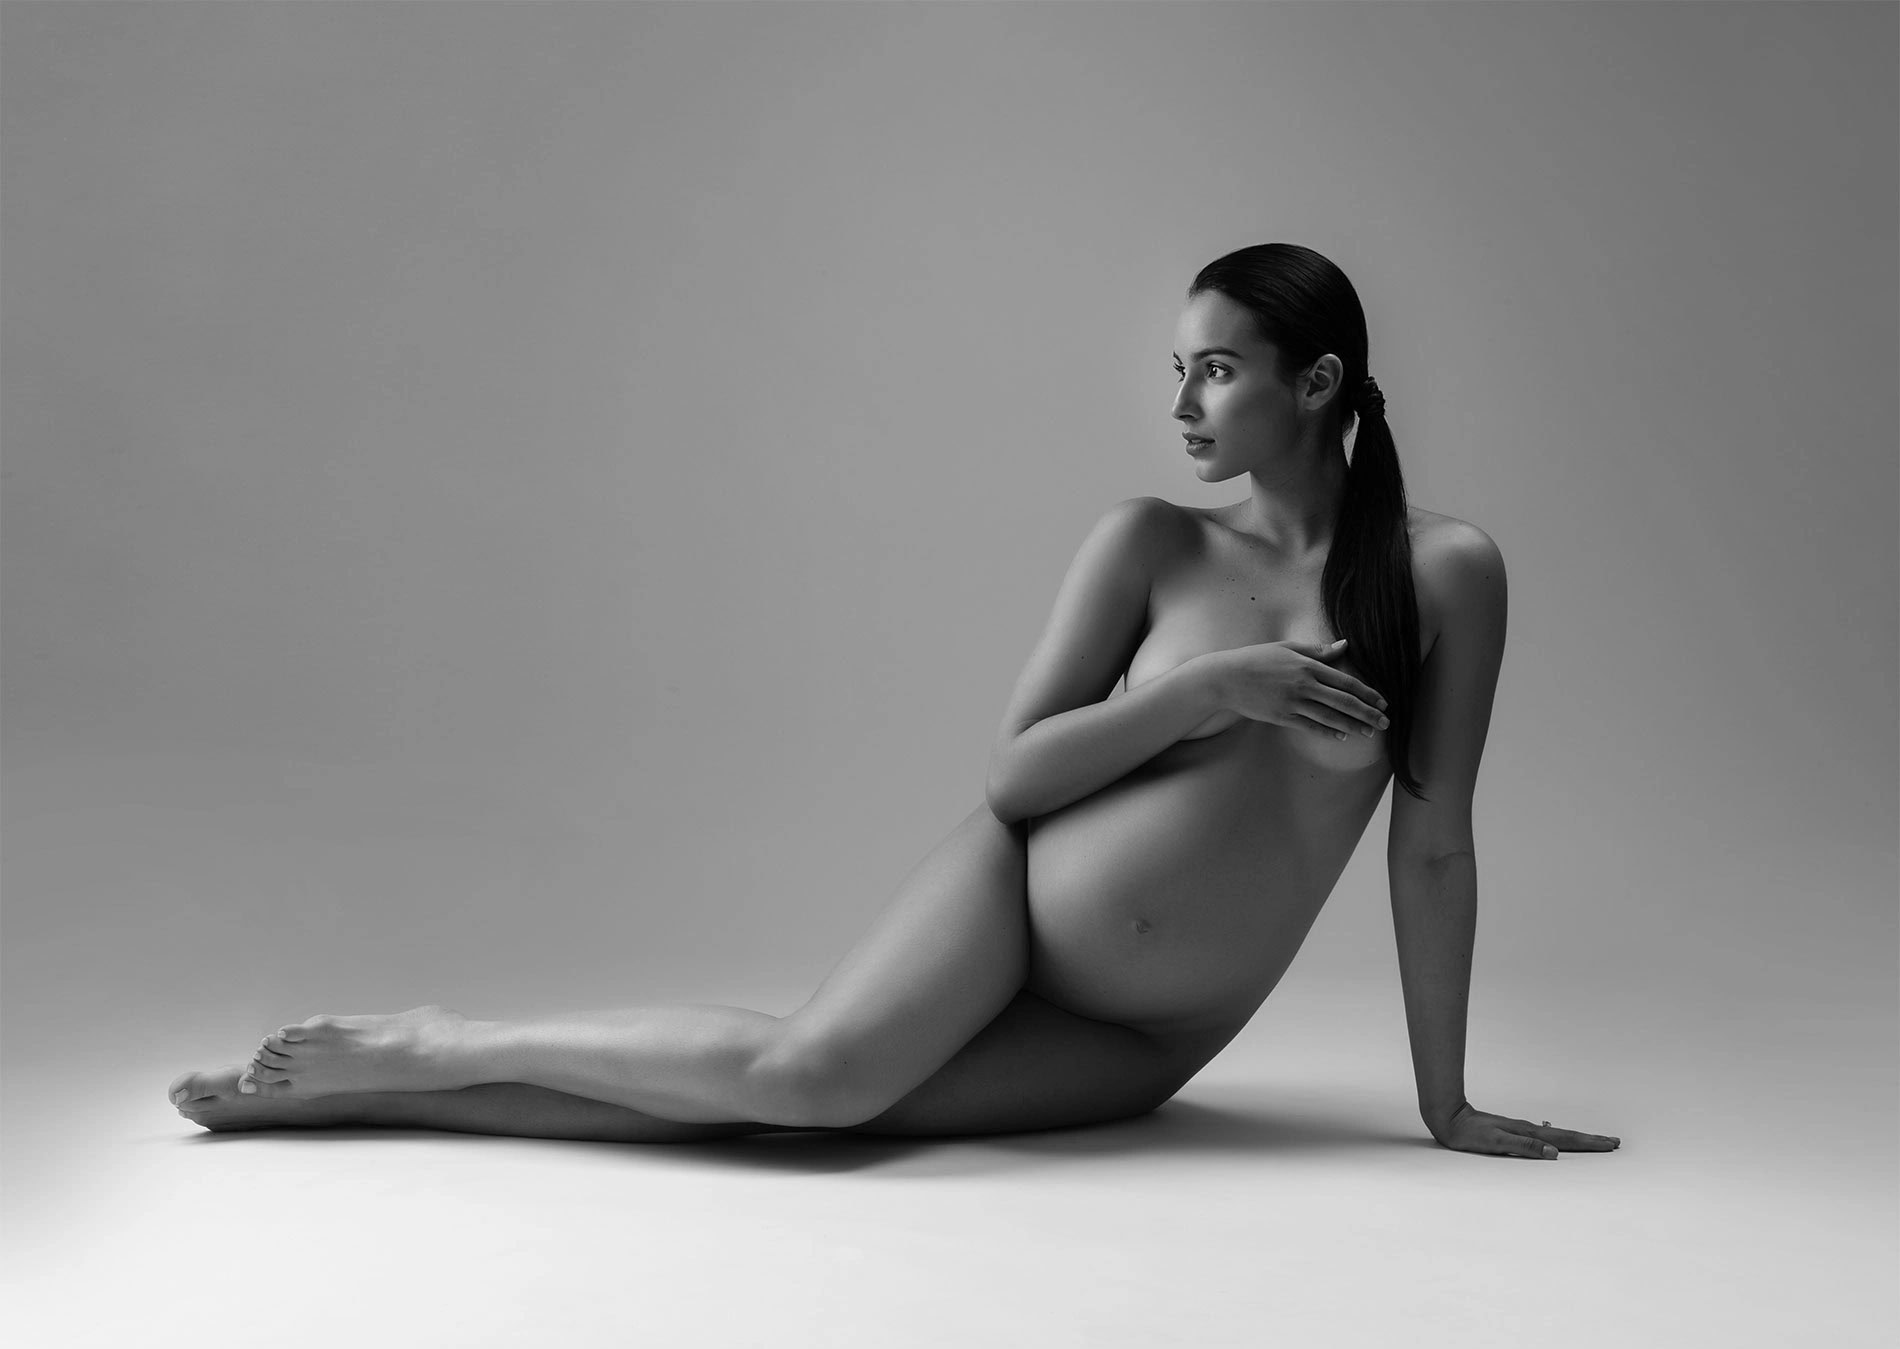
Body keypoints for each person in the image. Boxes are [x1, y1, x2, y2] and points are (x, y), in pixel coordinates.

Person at [167, 242, 1620, 1160]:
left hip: (1152, 1039)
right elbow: (1018, 778)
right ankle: (435, 1041)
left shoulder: (1444, 573)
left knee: (796, 1115)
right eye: (1177, 370)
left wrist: (1445, 1104)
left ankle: (373, 1098)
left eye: (1218, 372)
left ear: (1315, 382)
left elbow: (1433, 841)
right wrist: (1217, 689)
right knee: (806, 1073)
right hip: (1014, 894)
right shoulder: (1153, 541)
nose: (1184, 405)